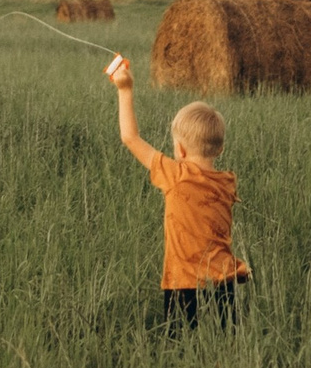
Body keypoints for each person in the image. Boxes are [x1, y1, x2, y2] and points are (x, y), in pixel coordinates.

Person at [106, 55, 250, 329]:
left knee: (180, 345)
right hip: (223, 279)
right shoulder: (227, 182)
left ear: (180, 150)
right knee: (226, 341)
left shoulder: (175, 175)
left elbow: (130, 138)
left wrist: (125, 90)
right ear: (219, 150)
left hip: (182, 281)